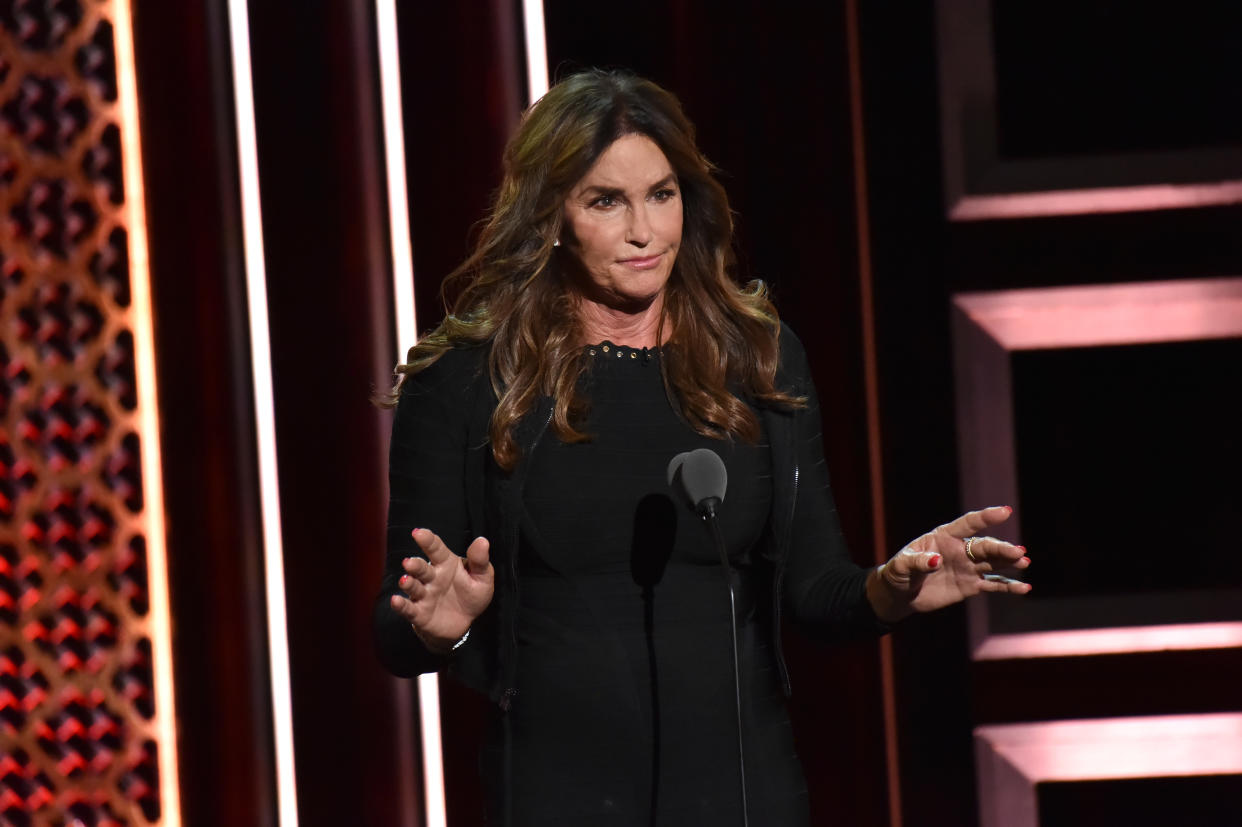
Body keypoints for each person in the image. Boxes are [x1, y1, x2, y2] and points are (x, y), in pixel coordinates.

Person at [373, 69, 1030, 826]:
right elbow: (395, 634)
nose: (644, 231)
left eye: (662, 193)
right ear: (550, 212)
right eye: (605, 201)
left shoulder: (758, 358)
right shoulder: (465, 379)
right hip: (559, 794)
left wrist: (892, 586)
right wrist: (442, 623)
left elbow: (815, 591)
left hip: (746, 794)